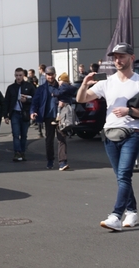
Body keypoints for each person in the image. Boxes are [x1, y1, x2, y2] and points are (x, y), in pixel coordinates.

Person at [77, 42, 139, 231]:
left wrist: (129, 110)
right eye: (115, 57)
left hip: (132, 133)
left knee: (124, 175)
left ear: (131, 58)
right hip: (109, 134)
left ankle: (115, 216)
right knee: (121, 177)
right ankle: (132, 211)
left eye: (121, 56)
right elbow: (81, 99)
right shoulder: (107, 82)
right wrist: (84, 84)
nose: (117, 60)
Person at [30, 66, 69, 170]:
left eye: (52, 74)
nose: (50, 76)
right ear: (45, 75)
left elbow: (70, 97)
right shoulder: (41, 88)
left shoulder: (61, 86)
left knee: (62, 139)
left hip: (60, 117)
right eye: (48, 74)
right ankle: (50, 160)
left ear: (55, 75)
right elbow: (35, 102)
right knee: (49, 139)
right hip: (48, 117)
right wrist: (33, 111)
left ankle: (62, 162)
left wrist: (64, 102)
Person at [4, 67, 37, 161]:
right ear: (15, 76)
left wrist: (26, 100)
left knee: (24, 134)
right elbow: (6, 101)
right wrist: (6, 115)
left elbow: (35, 99)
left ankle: (22, 152)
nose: (18, 77)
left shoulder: (29, 86)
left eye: (20, 75)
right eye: (17, 75)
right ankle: (17, 152)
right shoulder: (11, 88)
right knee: (15, 134)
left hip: (25, 113)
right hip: (14, 113)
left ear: (23, 76)